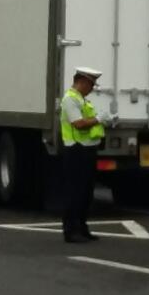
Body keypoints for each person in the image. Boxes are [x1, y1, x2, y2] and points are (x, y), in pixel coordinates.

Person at [60, 67, 106, 243]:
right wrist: (98, 119)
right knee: (74, 192)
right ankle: (71, 230)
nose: (92, 88)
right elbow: (78, 123)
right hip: (75, 149)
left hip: (87, 149)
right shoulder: (70, 99)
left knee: (86, 192)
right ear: (82, 81)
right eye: (91, 84)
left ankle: (82, 227)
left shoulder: (83, 100)